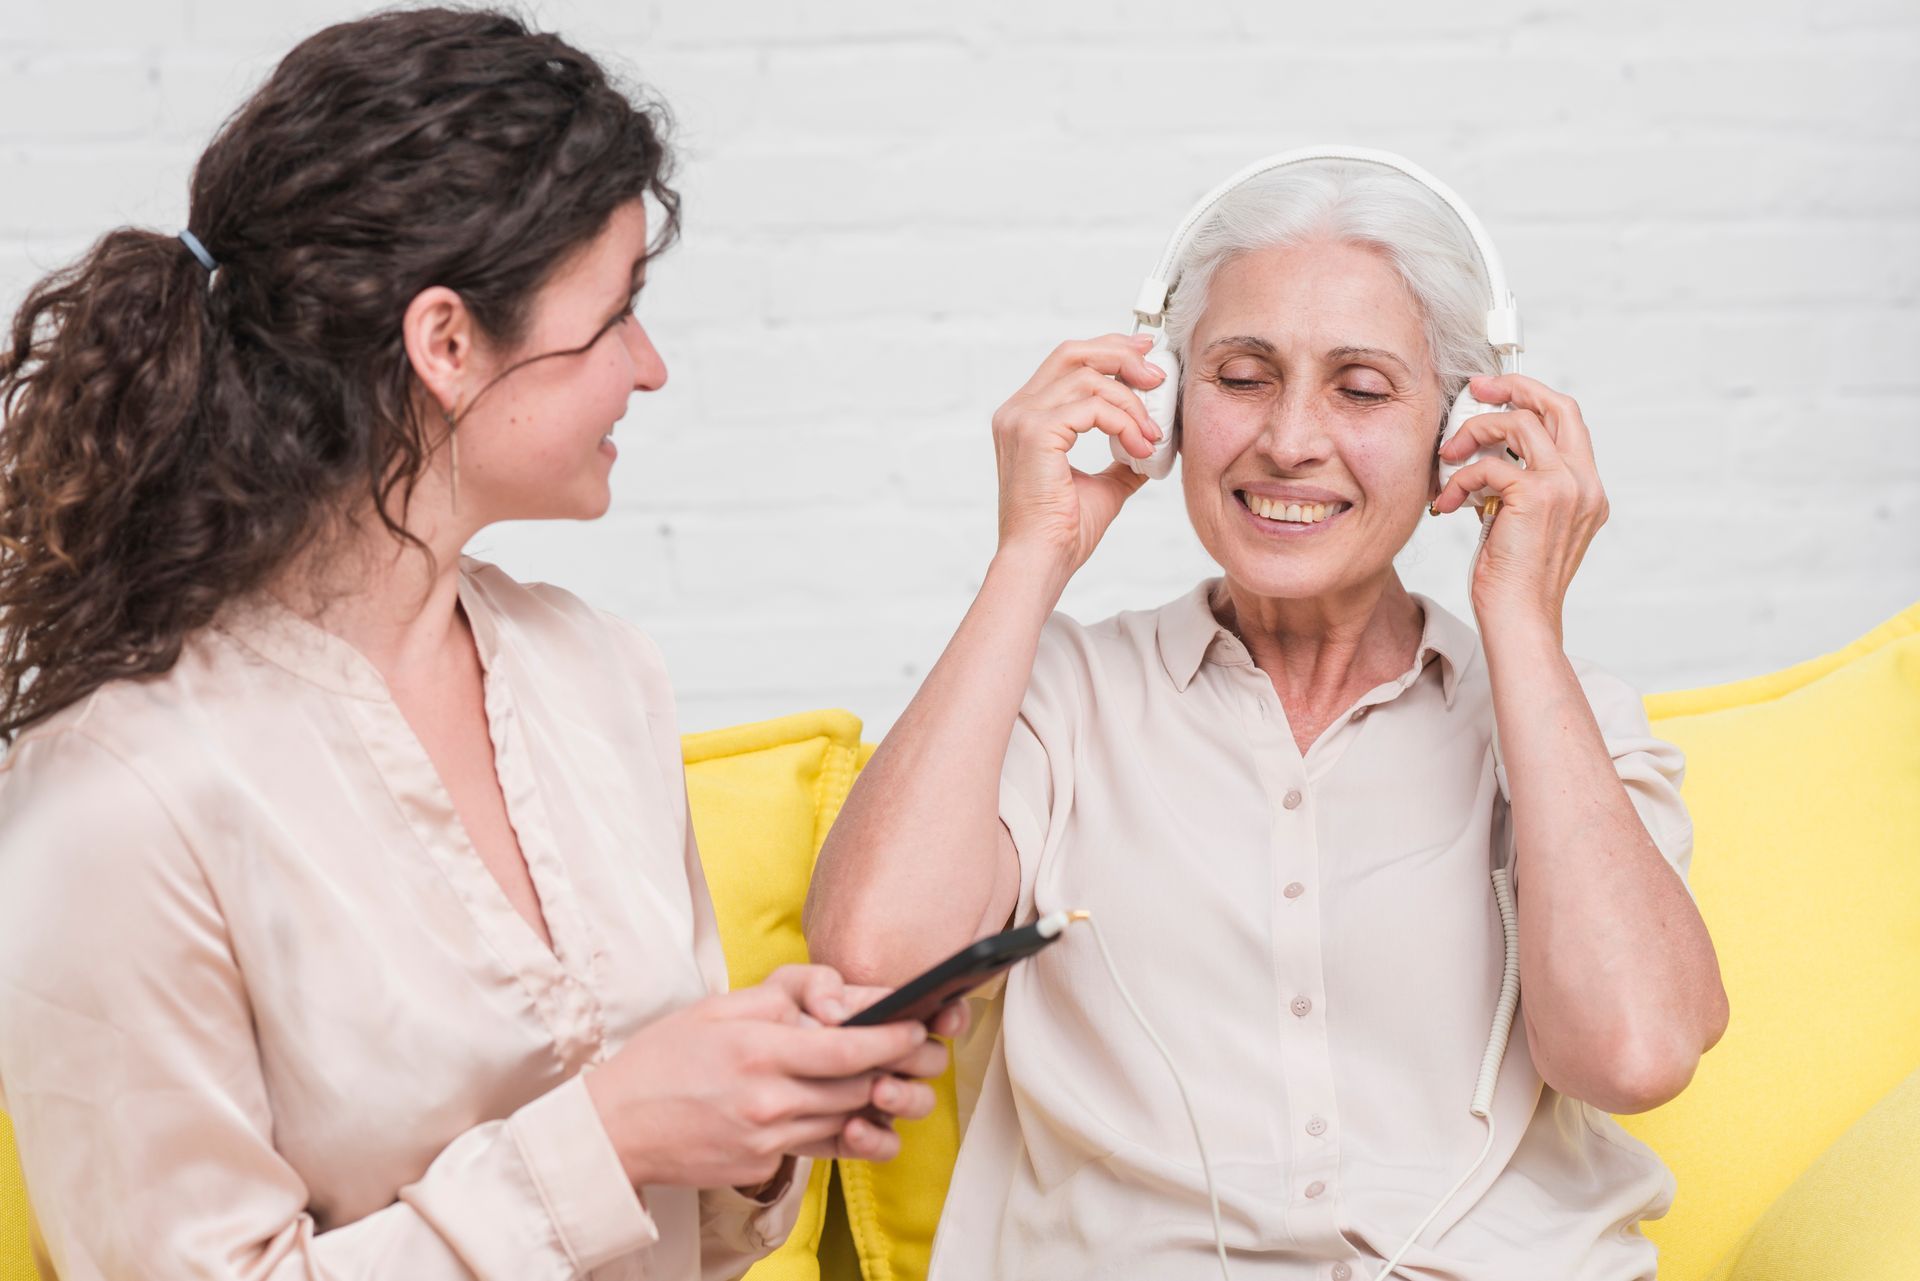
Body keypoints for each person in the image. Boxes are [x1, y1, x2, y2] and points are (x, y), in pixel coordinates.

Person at [0, 10, 958, 1279]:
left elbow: (682, 1230)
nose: (652, 367)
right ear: (446, 343)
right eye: (614, 315)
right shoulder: (119, 795)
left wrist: (756, 1115)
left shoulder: (599, 673)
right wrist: (610, 1138)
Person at [805, 158, 1730, 1279]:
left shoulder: (1558, 724)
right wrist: (1030, 552)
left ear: (1460, 429)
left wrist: (1523, 620)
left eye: (1363, 388)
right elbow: (873, 956)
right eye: (1243, 376)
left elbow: (1633, 1054)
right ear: (1171, 408)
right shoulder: (1063, 692)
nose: (1290, 439)